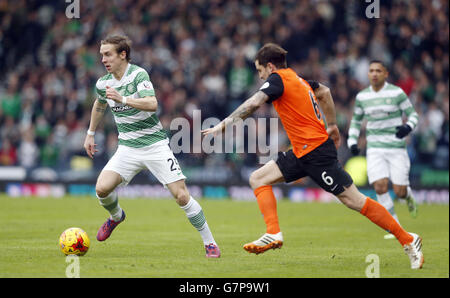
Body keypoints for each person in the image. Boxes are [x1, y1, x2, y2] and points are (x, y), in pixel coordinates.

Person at [202, 43, 423, 269]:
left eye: (260, 72)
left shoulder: (277, 79)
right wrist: (333, 125)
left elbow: (255, 102)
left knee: (354, 200)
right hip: (302, 151)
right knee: (258, 178)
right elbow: (325, 92)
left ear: (270, 67)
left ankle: (408, 239)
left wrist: (224, 124)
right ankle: (273, 233)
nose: (260, 77)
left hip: (316, 152)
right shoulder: (298, 80)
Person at [83, 35, 220, 258]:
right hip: (127, 147)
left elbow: (152, 104)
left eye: (108, 54)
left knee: (182, 196)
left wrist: (123, 100)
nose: (103, 60)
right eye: (101, 55)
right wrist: (90, 133)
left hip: (154, 145)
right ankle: (117, 216)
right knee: (102, 188)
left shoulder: (138, 75)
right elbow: (99, 104)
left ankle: (210, 243)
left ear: (122, 54)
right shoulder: (103, 83)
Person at [347, 60, 419, 240]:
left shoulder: (397, 93)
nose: (374, 74)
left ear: (386, 73)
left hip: (396, 148)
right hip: (375, 148)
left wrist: (408, 127)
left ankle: (408, 195)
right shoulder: (362, 97)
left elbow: (413, 114)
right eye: (371, 70)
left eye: (378, 70)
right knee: (379, 186)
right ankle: (395, 227)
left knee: (400, 190)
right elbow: (356, 120)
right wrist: (352, 141)